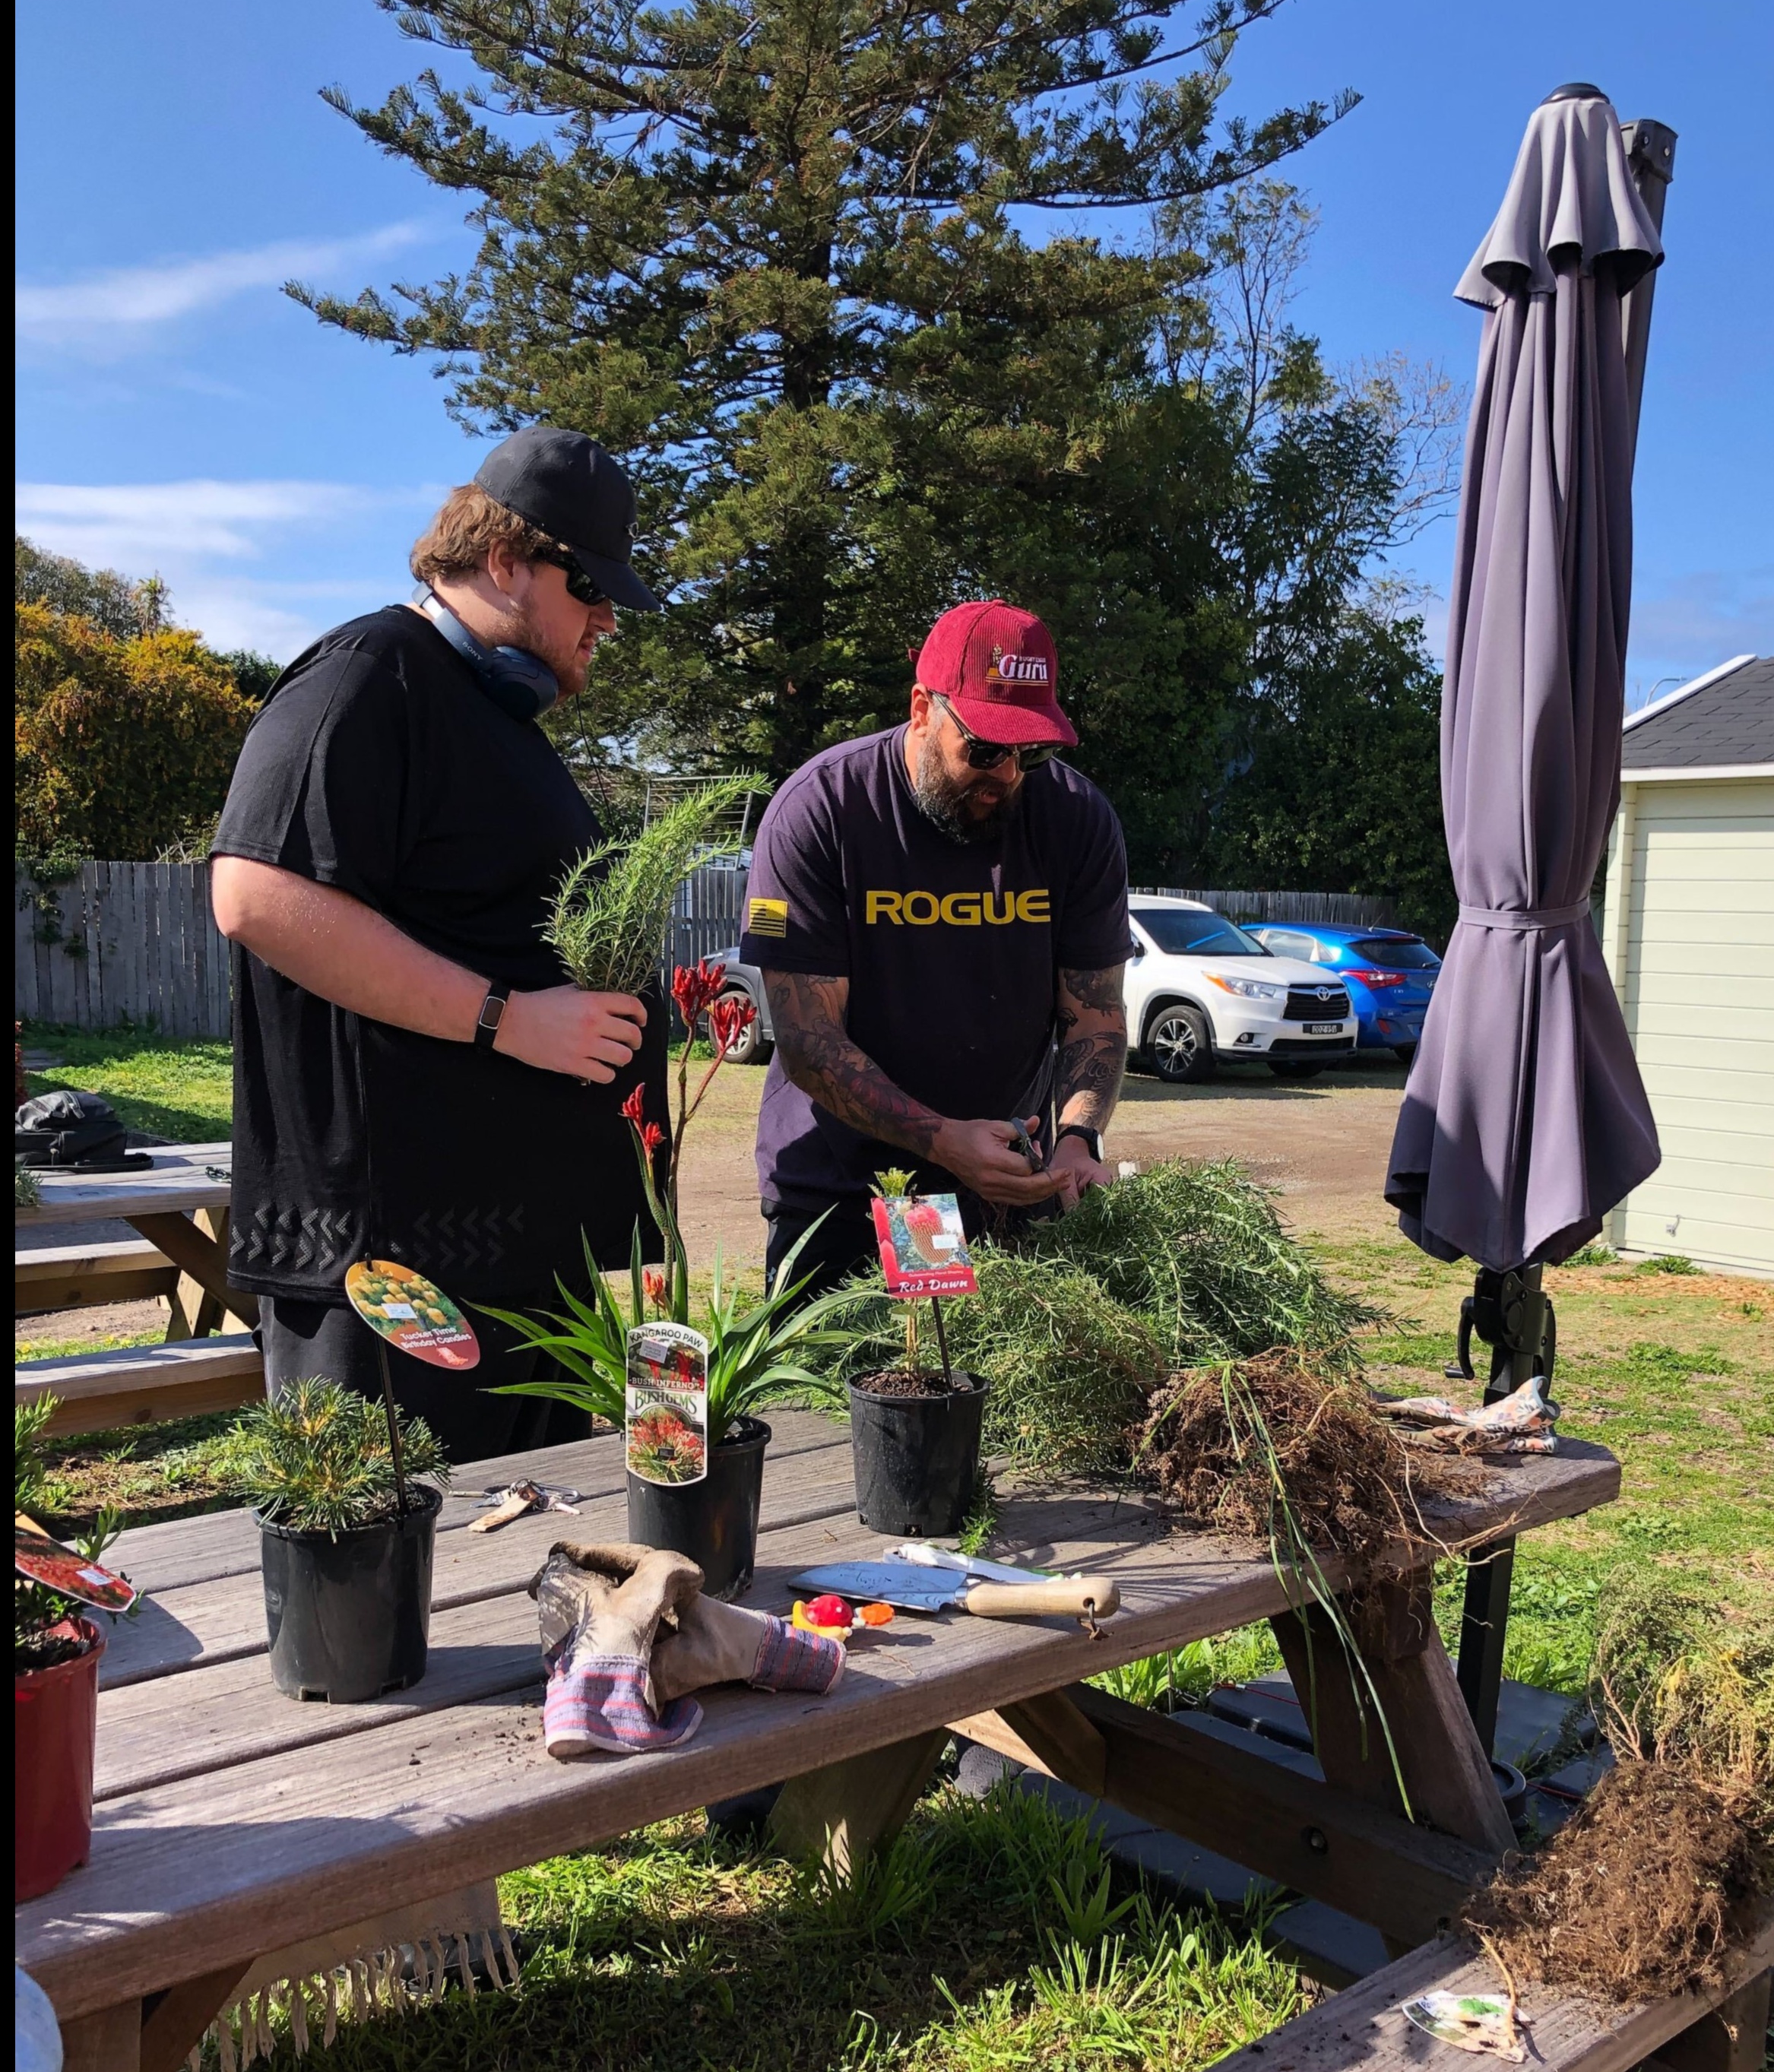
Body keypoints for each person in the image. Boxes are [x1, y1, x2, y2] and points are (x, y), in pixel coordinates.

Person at [210, 427, 671, 1460]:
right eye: (588, 586)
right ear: (504, 560)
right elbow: (253, 895)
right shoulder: (367, 677)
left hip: (517, 1263)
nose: (605, 617)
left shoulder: (494, 715)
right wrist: (507, 1019)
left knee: (532, 1577)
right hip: (392, 1271)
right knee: (401, 1602)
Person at [737, 600, 1131, 1289]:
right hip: (845, 1188)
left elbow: (1095, 1016)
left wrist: (1076, 1139)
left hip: (1002, 1183)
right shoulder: (821, 810)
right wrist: (944, 1142)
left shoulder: (1076, 820)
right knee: (837, 1396)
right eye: (982, 748)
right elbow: (806, 1036)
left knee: (969, 1389)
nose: (1005, 775)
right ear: (922, 709)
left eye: (1029, 752)